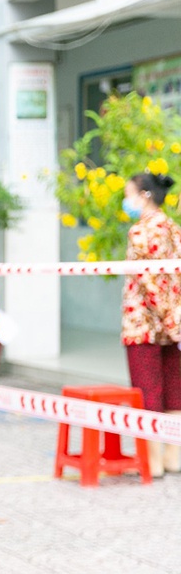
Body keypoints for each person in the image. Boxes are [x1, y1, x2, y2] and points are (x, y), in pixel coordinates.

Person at [121, 171, 181, 475]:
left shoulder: (141, 231)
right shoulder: (173, 228)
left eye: (128, 193)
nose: (126, 200)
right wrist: (175, 321)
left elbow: (148, 281)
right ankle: (173, 458)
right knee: (173, 391)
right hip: (175, 325)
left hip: (143, 325)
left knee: (148, 393)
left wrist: (166, 318)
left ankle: (153, 463)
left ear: (144, 195)